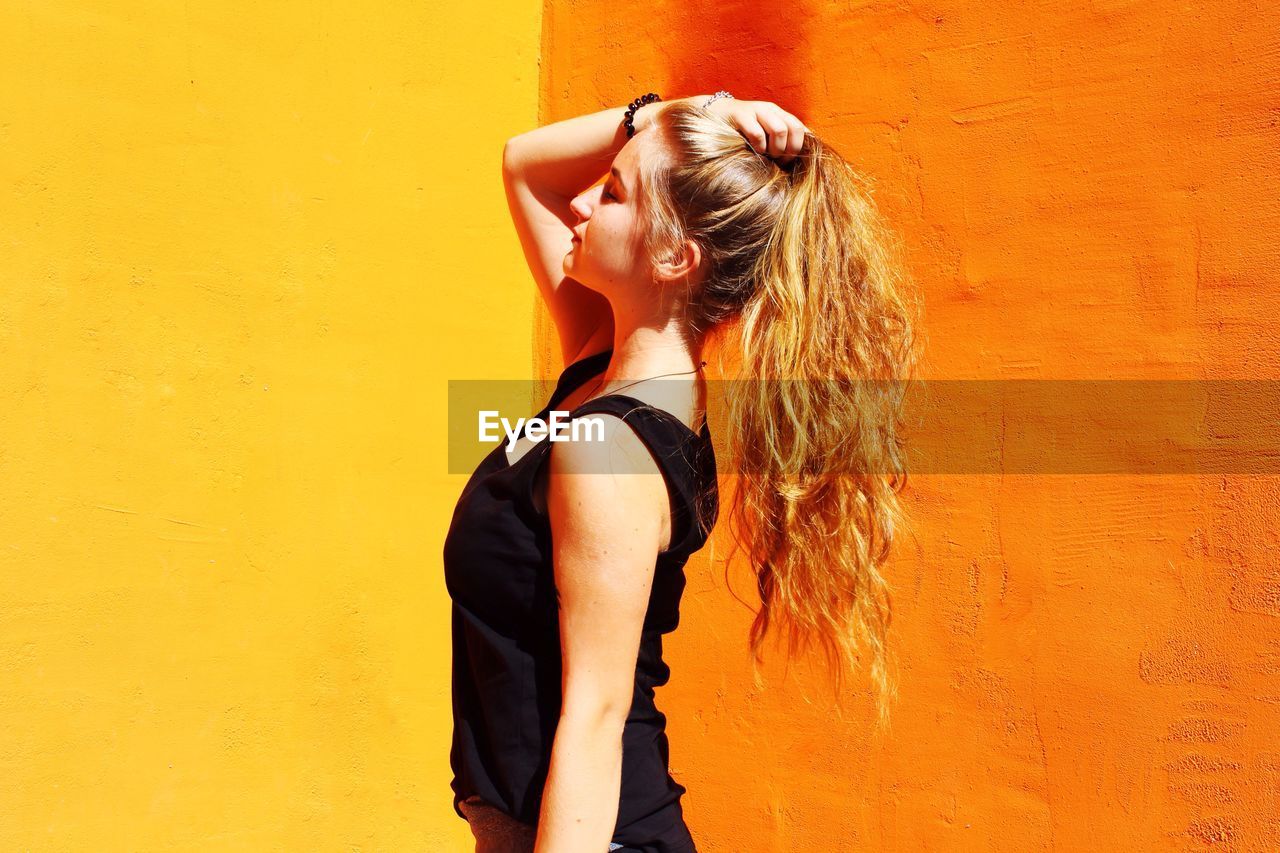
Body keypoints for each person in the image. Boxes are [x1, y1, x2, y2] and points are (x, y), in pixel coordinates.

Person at [443, 90, 921, 853]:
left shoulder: (612, 446)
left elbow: (596, 715)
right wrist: (680, 112)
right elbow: (525, 166)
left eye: (614, 192)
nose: (585, 204)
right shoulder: (602, 367)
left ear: (673, 257)